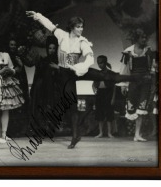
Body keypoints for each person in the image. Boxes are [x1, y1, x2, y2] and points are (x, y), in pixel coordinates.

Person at [26, 11, 145, 149]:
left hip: (78, 70)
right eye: (78, 27)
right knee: (72, 105)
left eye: (82, 27)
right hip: (65, 74)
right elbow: (50, 25)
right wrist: (38, 16)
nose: (81, 29)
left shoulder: (83, 42)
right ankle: (75, 136)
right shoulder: (62, 35)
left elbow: (89, 59)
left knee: (105, 76)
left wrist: (79, 67)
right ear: (71, 27)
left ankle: (135, 78)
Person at [0, 35, 25, 140]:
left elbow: (11, 69)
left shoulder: (5, 55)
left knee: (6, 109)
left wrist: (11, 70)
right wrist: (1, 72)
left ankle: (4, 134)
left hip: (7, 84)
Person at [118, 28, 154, 142]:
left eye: (145, 37)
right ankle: (135, 132)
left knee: (142, 107)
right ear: (136, 39)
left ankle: (137, 134)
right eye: (142, 38)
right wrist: (124, 84)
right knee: (132, 107)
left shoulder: (148, 50)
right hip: (133, 81)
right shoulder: (128, 52)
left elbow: (153, 66)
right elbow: (124, 69)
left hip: (145, 82)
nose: (144, 40)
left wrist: (151, 76)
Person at [30, 36, 61, 126]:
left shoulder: (59, 61)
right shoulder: (43, 60)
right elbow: (38, 75)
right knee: (43, 107)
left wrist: (57, 69)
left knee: (54, 108)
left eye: (54, 48)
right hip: (43, 89)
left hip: (55, 89)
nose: (52, 50)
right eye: (50, 48)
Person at [92, 55, 117, 138]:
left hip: (108, 93)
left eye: (101, 63)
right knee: (99, 114)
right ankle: (101, 133)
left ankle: (110, 133)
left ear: (105, 63)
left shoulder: (110, 73)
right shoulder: (98, 73)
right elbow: (93, 83)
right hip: (100, 93)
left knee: (109, 113)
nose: (100, 65)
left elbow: (114, 86)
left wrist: (113, 98)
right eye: (98, 63)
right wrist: (94, 90)